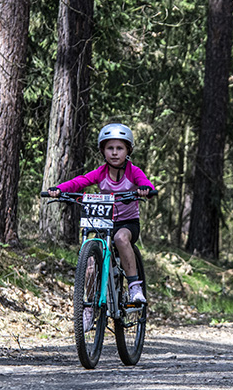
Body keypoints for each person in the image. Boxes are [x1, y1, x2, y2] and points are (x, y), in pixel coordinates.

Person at [47, 123, 154, 304]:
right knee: (90, 262)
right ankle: (88, 306)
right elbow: (80, 181)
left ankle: (135, 285)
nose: (114, 153)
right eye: (109, 148)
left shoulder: (133, 171)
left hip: (128, 224)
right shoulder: (101, 172)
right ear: (103, 151)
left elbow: (145, 183)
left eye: (119, 148)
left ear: (127, 150)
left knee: (121, 239)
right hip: (105, 223)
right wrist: (59, 189)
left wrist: (145, 189)